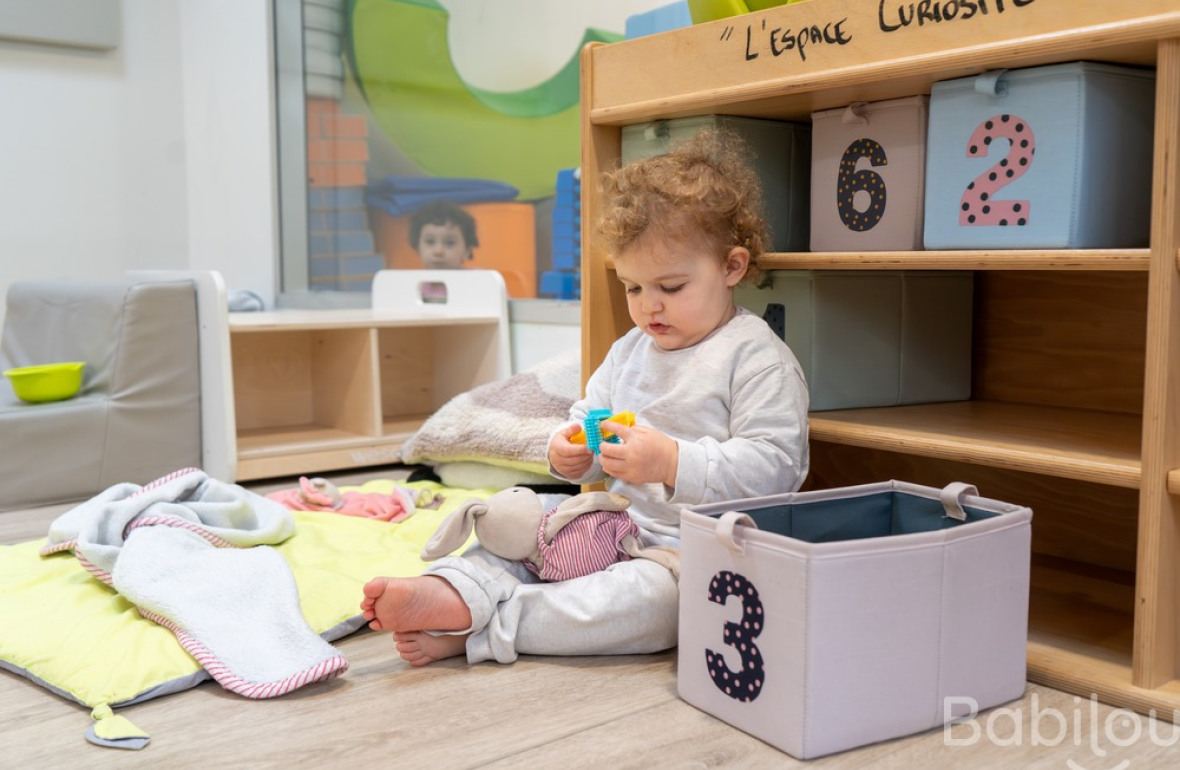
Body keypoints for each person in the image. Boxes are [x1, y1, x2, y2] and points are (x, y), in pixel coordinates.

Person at [361, 130, 810, 666]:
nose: (649, 308)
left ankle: (492, 621)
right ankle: (455, 588)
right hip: (609, 522)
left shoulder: (756, 356)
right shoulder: (630, 349)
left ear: (732, 267)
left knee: (652, 607)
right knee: (515, 528)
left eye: (670, 287)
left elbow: (778, 467)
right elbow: (586, 418)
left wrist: (671, 461)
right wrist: (569, 449)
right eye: (633, 288)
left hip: (691, 551)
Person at [410, 201, 478, 269]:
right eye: (430, 242)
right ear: (417, 248)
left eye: (449, 243)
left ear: (467, 251)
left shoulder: (479, 278)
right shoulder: (408, 278)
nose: (438, 251)